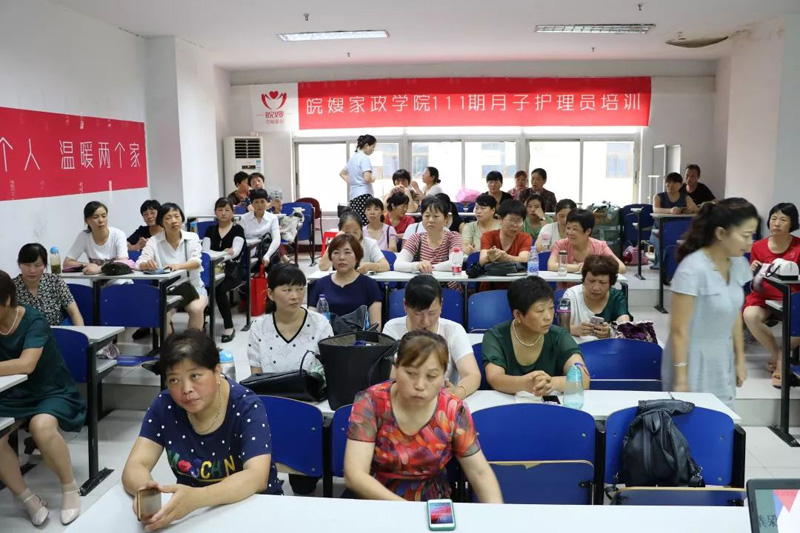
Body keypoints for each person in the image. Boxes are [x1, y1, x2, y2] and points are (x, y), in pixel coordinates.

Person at [122, 330, 281, 531]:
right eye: (174, 380)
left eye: (195, 376)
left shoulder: (247, 406)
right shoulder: (165, 405)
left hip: (252, 510)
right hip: (195, 516)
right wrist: (146, 490)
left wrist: (197, 498)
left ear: (216, 371)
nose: (186, 389)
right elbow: (136, 465)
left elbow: (257, 477)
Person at [344, 330, 503, 503]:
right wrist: (405, 509)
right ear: (396, 368)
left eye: (431, 376)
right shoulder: (371, 402)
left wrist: (497, 512)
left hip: (432, 502)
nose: (420, 385)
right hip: (375, 498)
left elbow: (479, 473)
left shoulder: (452, 410)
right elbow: (355, 475)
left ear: (443, 375)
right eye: (411, 373)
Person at [0, 270, 86, 526]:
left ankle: (70, 487)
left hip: (51, 389)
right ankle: (27, 498)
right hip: (12, 394)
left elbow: (26, 364)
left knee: (41, 426)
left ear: (6, 300)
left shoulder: (33, 320)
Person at [662, 198, 758, 408]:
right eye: (745, 235)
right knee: (691, 419)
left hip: (722, 356)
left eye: (752, 235)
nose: (750, 242)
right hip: (690, 358)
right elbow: (678, 329)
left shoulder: (739, 264)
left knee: (722, 417)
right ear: (721, 233)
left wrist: (739, 359)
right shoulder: (692, 269)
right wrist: (681, 378)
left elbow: (734, 315)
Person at [247, 264, 332, 495]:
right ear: (271, 294)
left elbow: (327, 373)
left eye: (300, 289)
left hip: (311, 406)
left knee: (303, 484)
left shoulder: (320, 324)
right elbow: (256, 377)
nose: (295, 296)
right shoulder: (259, 327)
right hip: (272, 407)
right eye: (287, 290)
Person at [482, 276, 590, 395]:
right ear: (518, 315)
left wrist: (551, 383)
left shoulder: (559, 336)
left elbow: (584, 379)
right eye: (540, 311)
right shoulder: (496, 337)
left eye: (551, 308)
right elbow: (495, 378)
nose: (548, 317)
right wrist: (525, 384)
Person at [382, 275, 482, 398]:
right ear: (405, 305)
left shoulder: (453, 330)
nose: (426, 322)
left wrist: (457, 392)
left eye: (432, 313)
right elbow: (388, 378)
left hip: (443, 401)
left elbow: (472, 374)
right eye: (418, 313)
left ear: (441, 305)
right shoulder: (392, 329)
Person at [743, 202, 800, 387]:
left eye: (783, 219)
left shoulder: (799, 246)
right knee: (750, 315)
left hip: (792, 297)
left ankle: (782, 356)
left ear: (792, 223)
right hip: (764, 297)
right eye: (773, 218)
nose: (776, 223)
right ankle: (777, 355)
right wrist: (752, 270)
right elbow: (754, 281)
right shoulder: (758, 246)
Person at [137, 203, 208, 332]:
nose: (174, 221)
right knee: (159, 314)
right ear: (161, 222)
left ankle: (193, 341)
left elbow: (196, 262)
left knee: (196, 309)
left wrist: (178, 266)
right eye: (168, 218)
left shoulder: (192, 237)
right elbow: (139, 263)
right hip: (168, 290)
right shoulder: (154, 241)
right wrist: (146, 265)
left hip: (193, 287)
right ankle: (171, 342)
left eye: (177, 216)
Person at [308, 234, 383, 329]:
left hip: (359, 337)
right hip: (327, 336)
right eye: (336, 253)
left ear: (357, 257)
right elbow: (311, 322)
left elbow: (376, 326)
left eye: (347, 252)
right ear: (331, 257)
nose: (341, 257)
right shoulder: (320, 284)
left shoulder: (369, 284)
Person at [202, 198, 246, 343]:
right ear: (215, 212)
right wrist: (224, 253)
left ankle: (229, 327)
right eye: (220, 210)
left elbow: (235, 252)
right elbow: (205, 252)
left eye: (227, 210)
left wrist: (219, 254)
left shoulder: (238, 229)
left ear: (233, 212)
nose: (223, 213)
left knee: (219, 289)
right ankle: (201, 323)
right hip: (212, 269)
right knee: (201, 286)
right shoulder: (210, 230)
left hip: (232, 270)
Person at [563, 255, 631, 342]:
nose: (595, 288)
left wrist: (611, 332)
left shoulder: (617, 297)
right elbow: (563, 327)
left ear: (611, 283)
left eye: (602, 283)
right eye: (591, 281)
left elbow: (624, 327)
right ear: (584, 279)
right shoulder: (571, 295)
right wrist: (576, 329)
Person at [14, 243, 84, 327]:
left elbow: (74, 313)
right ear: (19, 265)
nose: (32, 270)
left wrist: (80, 332)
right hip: (25, 334)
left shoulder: (55, 281)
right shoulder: (11, 287)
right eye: (27, 265)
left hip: (56, 332)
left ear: (44, 265)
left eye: (37, 265)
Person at [395, 197, 463, 275]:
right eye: (427, 216)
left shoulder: (453, 237)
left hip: (447, 282)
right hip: (423, 281)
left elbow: (455, 263)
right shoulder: (416, 238)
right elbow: (398, 264)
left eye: (436, 216)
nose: (430, 220)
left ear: (446, 219)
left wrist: (428, 267)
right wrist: (417, 266)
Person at [547, 209, 627, 275]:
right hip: (566, 289)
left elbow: (621, 268)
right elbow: (551, 265)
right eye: (568, 228)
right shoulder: (560, 245)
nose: (570, 232)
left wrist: (592, 267)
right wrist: (578, 268)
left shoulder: (600, 246)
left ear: (588, 231)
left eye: (575, 229)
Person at [63, 201, 129, 274]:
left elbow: (123, 263)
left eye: (104, 216)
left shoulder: (118, 234)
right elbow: (67, 263)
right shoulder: (84, 236)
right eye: (95, 217)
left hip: (118, 280)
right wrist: (89, 265)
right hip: (96, 280)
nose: (101, 220)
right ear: (87, 220)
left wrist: (100, 268)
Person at [650, 172, 700, 269]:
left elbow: (696, 209)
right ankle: (664, 266)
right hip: (661, 228)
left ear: (680, 185)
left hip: (679, 228)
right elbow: (655, 209)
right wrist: (670, 211)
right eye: (668, 182)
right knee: (664, 242)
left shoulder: (685, 197)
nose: (671, 185)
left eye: (674, 182)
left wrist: (691, 209)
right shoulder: (658, 196)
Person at [318, 211, 390, 273]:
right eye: (347, 232)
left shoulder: (370, 244)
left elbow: (386, 266)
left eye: (355, 232)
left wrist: (370, 266)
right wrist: (334, 243)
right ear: (340, 231)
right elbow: (322, 267)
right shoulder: (335, 243)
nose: (351, 236)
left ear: (361, 231)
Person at [480, 200, 532, 266]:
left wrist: (506, 257)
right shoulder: (488, 236)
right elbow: (482, 261)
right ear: (499, 219)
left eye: (519, 221)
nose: (515, 225)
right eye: (511, 220)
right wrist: (489, 258)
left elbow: (524, 259)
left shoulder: (525, 238)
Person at [340, 134, 377, 225]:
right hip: (364, 195)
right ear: (367, 146)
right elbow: (367, 178)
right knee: (366, 224)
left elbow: (342, 174)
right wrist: (372, 179)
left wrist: (354, 182)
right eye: (373, 147)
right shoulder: (365, 158)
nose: (373, 150)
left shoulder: (352, 158)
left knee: (357, 223)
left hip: (354, 196)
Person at [240, 189, 281, 268]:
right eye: (256, 202)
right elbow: (240, 238)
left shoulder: (273, 218)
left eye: (262, 201)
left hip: (267, 252)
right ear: (252, 204)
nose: (259, 205)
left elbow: (276, 239)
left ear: (266, 202)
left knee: (276, 269)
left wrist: (267, 255)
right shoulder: (244, 218)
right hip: (248, 254)